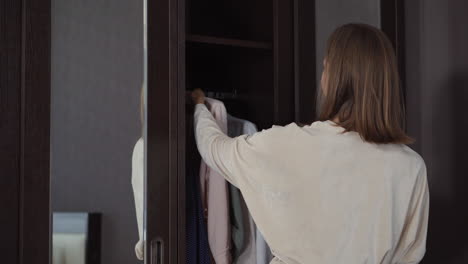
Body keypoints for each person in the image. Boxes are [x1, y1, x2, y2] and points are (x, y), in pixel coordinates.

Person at [191, 23, 429, 264]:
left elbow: (215, 149)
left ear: (332, 79)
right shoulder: (410, 167)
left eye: (325, 68)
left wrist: (200, 107)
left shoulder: (284, 145)